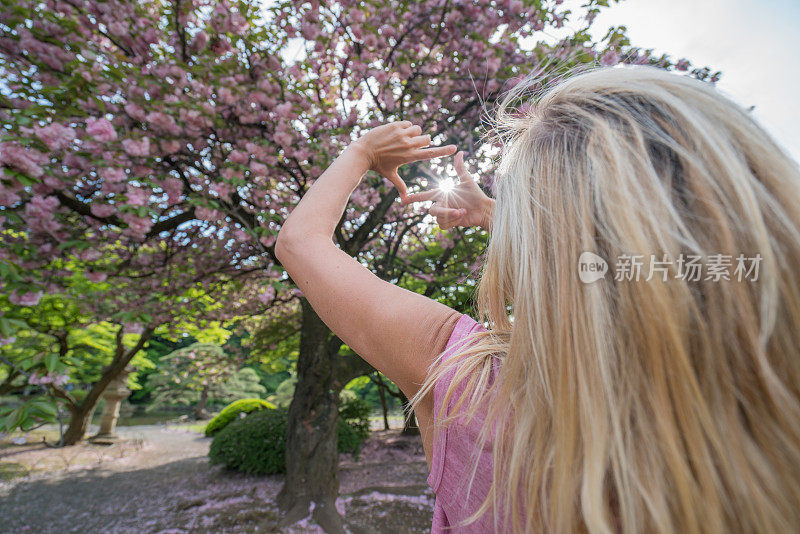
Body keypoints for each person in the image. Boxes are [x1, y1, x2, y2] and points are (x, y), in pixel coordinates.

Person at [275, 65, 800, 533]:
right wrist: (497, 217)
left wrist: (363, 150)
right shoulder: (776, 430)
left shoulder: (473, 386)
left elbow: (301, 243)